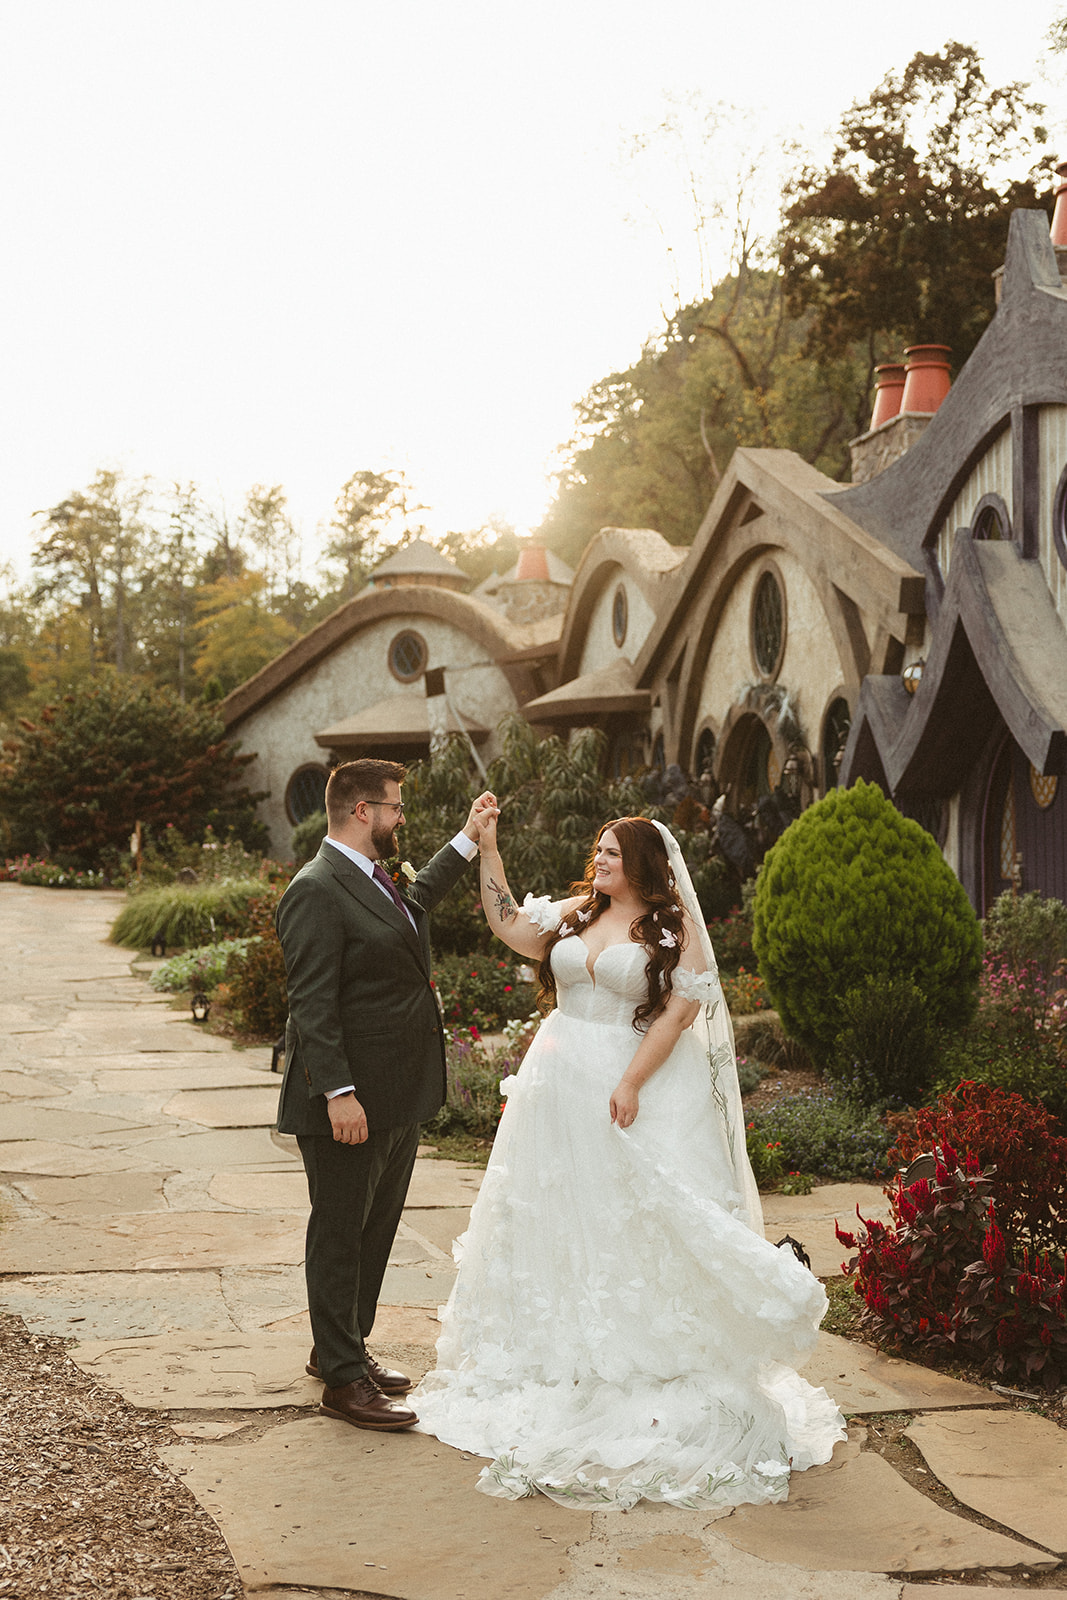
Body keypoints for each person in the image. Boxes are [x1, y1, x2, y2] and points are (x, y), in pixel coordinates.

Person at [414, 811, 845, 1507]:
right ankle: (552, 1347)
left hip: (622, 1082)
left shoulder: (673, 930)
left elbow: (677, 1015)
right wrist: (488, 849)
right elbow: (510, 927)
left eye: (612, 852)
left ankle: (633, 1352)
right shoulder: (575, 912)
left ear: (644, 862)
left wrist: (631, 1081)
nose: (600, 859)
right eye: (598, 851)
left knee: (626, 1217)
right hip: (554, 1087)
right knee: (554, 1212)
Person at [275, 757, 494, 1433]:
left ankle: (341, 1347)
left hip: (396, 1091)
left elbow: (414, 901)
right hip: (348, 1097)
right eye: (396, 808)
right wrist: (338, 1092)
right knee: (340, 1232)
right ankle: (342, 1384)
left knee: (373, 1230)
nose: (402, 819)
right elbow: (311, 1003)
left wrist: (467, 837)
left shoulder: (373, 876)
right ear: (363, 812)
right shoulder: (315, 887)